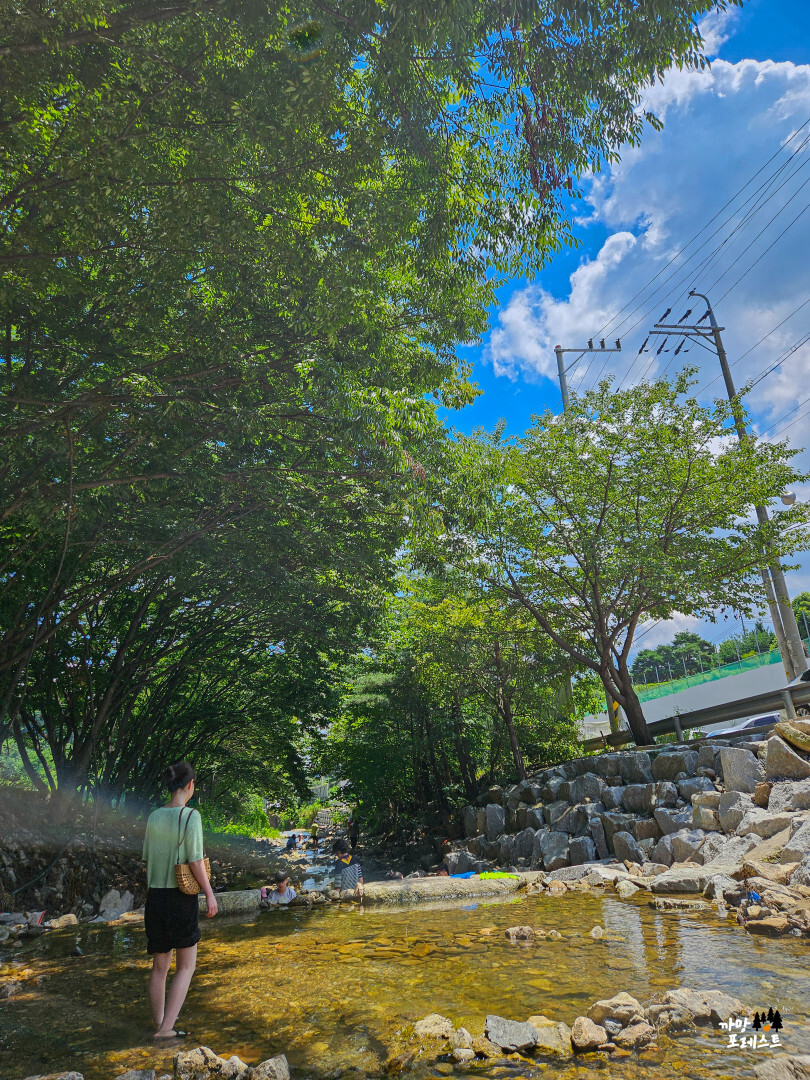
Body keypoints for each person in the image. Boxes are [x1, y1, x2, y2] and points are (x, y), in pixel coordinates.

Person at [142, 760, 217, 1040]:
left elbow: (148, 859)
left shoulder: (153, 817)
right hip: (180, 899)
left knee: (160, 966)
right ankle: (166, 1030)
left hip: (155, 898)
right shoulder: (191, 816)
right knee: (186, 966)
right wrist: (210, 894)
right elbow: (196, 862)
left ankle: (159, 1024)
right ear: (190, 785)